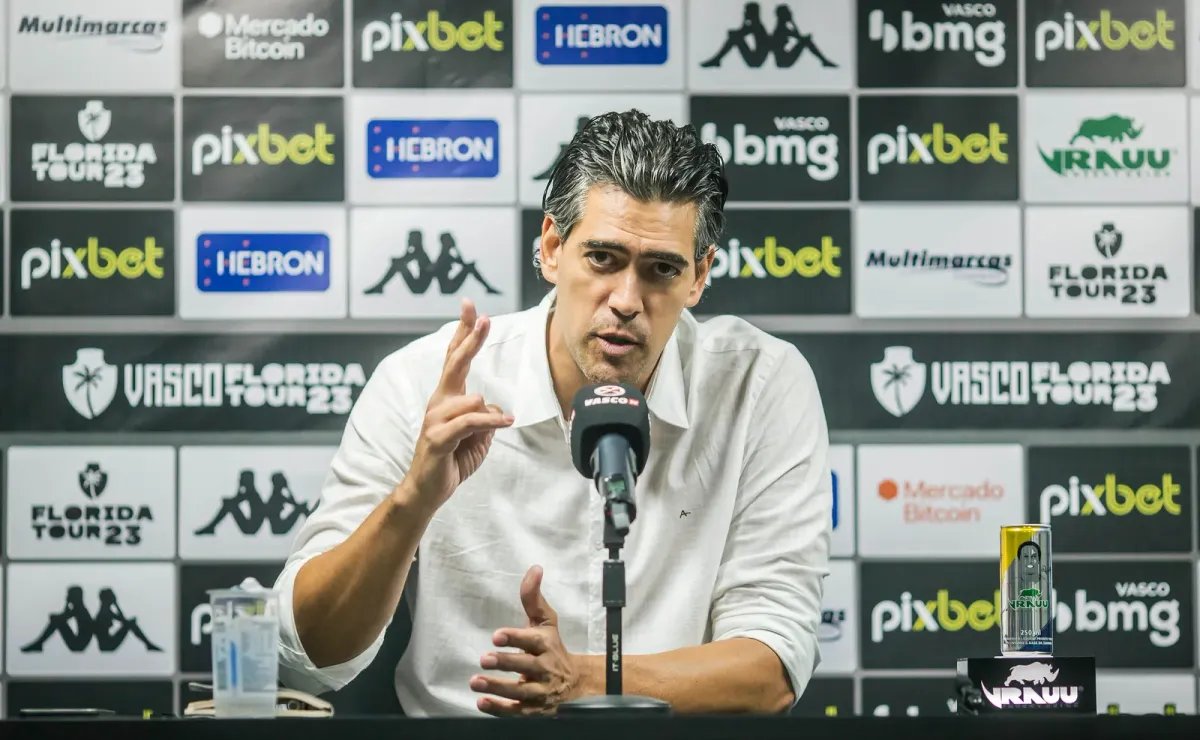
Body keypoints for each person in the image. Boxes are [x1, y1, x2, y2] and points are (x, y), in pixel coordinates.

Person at [275, 110, 832, 717]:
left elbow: (772, 669)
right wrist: (412, 502)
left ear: (698, 277)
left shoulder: (759, 384)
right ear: (550, 249)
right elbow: (309, 654)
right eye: (603, 258)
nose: (626, 300)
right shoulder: (423, 382)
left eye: (661, 270)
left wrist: (582, 683)